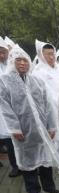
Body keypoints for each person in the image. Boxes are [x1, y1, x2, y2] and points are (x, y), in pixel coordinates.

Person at [0, 45, 59, 193]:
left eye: (25, 60)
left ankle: (49, 187)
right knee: (27, 159)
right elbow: (5, 107)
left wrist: (52, 125)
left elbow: (48, 105)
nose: (22, 64)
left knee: (45, 158)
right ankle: (32, 190)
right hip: (22, 129)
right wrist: (14, 128)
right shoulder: (5, 82)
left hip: (42, 128)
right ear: (12, 62)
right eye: (18, 60)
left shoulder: (37, 81)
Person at [33, 40, 59, 175]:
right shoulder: (37, 72)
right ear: (41, 55)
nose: (51, 57)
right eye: (48, 54)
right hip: (51, 109)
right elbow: (40, 93)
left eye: (52, 53)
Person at [0, 36, 19, 177]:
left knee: (20, 137)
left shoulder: (13, 66)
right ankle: (15, 166)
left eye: (3, 52)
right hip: (2, 109)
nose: (1, 55)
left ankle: (29, 165)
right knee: (8, 138)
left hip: (17, 106)